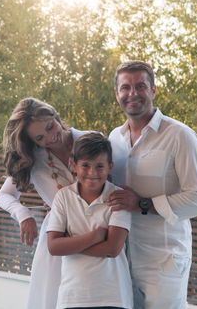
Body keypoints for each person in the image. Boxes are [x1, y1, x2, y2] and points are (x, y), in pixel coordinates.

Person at [108, 60, 197, 309]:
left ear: (153, 90)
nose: (132, 93)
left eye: (140, 86)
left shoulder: (179, 136)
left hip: (164, 261)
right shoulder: (114, 138)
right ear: (117, 94)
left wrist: (143, 203)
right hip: (122, 257)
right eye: (125, 87)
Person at [0, 97, 88, 309]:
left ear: (55, 115)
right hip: (58, 239)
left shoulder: (90, 139)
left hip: (98, 233)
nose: (50, 137)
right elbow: (4, 195)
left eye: (50, 126)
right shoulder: (31, 159)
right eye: (40, 137)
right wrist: (24, 215)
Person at [47, 132, 132, 309]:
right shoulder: (63, 197)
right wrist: (96, 235)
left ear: (110, 166)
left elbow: (112, 249)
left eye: (99, 166)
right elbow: (54, 247)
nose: (92, 172)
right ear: (73, 165)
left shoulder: (118, 198)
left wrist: (70, 242)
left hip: (112, 297)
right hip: (72, 296)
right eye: (85, 165)